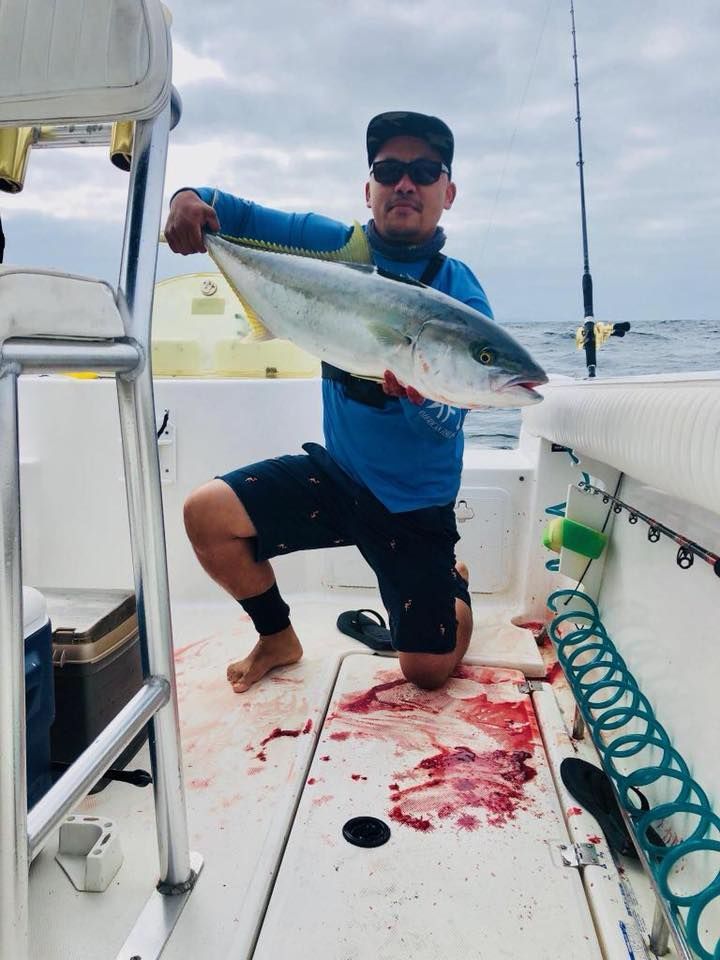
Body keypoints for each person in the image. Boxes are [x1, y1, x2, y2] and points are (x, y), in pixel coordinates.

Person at [165, 111, 493, 693]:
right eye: (389, 170)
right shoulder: (339, 248)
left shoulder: (458, 294)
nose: (405, 184)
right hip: (339, 478)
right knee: (205, 515)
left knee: (426, 673)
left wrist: (420, 400)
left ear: (449, 191)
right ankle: (277, 636)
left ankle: (451, 582)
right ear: (369, 189)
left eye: (423, 170)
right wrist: (187, 199)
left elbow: (451, 421)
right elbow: (230, 212)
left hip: (414, 506)